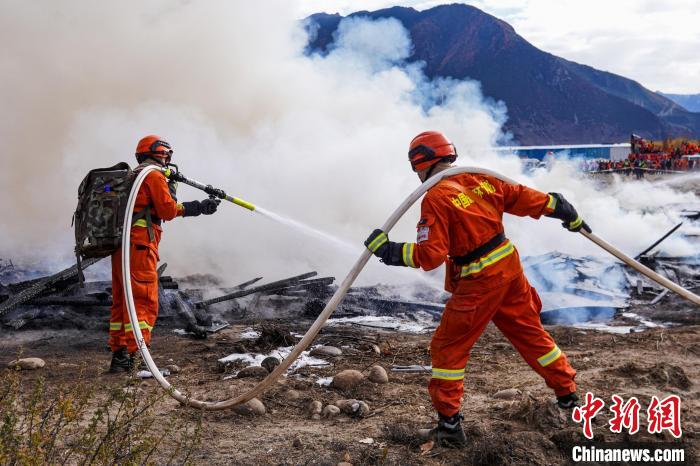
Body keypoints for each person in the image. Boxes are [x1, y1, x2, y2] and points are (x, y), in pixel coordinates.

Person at [364, 131, 586, 447]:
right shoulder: (480, 179)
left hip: (480, 280)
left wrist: (389, 251)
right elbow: (521, 196)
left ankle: (449, 428)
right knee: (530, 334)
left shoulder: (437, 197)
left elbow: (430, 256)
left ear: (420, 163)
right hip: (509, 268)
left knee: (448, 348)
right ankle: (568, 395)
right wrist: (558, 207)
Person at [109, 135, 220, 372]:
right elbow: (167, 210)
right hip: (140, 246)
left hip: (120, 248)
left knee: (122, 301)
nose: (169, 159)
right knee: (144, 301)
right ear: (161, 153)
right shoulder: (153, 175)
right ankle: (138, 359)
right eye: (167, 154)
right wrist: (197, 207)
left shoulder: (132, 176)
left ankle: (120, 358)